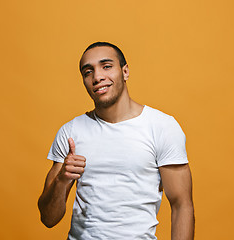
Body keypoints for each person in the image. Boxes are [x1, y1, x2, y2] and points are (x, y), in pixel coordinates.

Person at [38, 42, 195, 239]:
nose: (97, 77)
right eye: (88, 72)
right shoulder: (70, 132)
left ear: (125, 71)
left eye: (106, 66)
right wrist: (62, 179)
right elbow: (48, 218)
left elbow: (182, 205)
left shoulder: (162, 127)